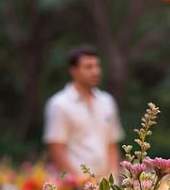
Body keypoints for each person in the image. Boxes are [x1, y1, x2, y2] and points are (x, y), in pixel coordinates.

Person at [44, 45, 122, 177]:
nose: (96, 71)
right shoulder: (59, 104)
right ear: (73, 71)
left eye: (97, 66)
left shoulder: (107, 101)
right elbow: (56, 149)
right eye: (88, 67)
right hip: (73, 187)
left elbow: (112, 144)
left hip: (105, 188)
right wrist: (79, 181)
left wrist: (112, 179)